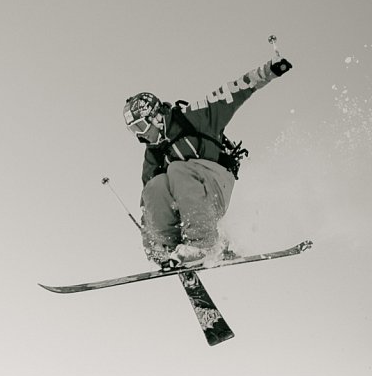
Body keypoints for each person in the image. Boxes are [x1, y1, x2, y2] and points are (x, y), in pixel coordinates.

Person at [123, 55, 293, 266]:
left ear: (156, 116)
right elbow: (148, 203)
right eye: (134, 131)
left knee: (177, 169)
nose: (140, 135)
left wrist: (269, 70)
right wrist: (151, 243)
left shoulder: (194, 116)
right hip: (189, 201)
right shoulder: (153, 153)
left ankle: (202, 242)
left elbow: (233, 92)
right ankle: (169, 247)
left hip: (216, 183)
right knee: (154, 186)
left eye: (140, 127)